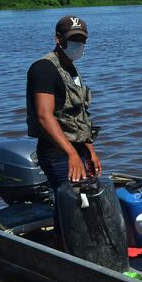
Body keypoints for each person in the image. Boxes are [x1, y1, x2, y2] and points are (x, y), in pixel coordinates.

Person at [26, 15, 101, 244]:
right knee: (72, 201)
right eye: (72, 39)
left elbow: (78, 116)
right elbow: (44, 116)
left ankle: (71, 246)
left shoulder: (72, 70)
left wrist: (89, 150)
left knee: (73, 202)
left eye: (81, 39)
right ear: (58, 39)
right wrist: (70, 154)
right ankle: (65, 251)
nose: (77, 44)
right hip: (56, 151)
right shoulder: (44, 69)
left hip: (76, 147)